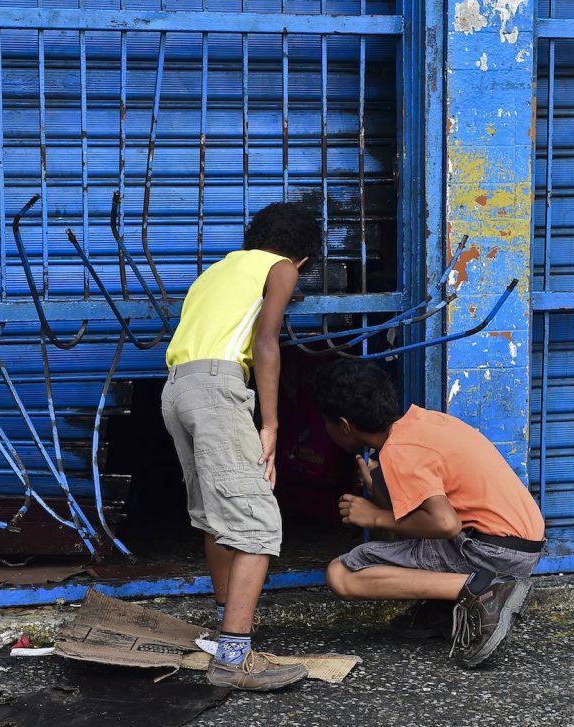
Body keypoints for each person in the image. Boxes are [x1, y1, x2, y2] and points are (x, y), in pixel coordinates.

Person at [162, 202, 320, 690]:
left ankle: (226, 632)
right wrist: (270, 425)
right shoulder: (280, 268)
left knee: (217, 516)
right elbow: (266, 342)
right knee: (256, 520)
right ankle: (233, 659)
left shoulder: (216, 271)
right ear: (304, 260)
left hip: (175, 389)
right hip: (215, 388)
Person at [312, 359, 546, 668]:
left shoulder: (399, 450)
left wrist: (373, 516)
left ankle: (483, 591)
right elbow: (421, 516)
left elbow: (445, 523)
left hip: (492, 549)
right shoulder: (422, 422)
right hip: (522, 542)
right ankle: (444, 610)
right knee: (410, 541)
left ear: (344, 425)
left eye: (326, 422)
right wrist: (377, 488)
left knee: (341, 575)